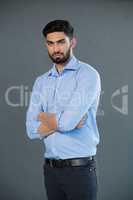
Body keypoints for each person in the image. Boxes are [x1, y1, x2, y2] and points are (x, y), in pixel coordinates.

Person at [26, 19, 101, 200]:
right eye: (51, 43)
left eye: (61, 42)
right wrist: (65, 120)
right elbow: (30, 130)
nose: (56, 49)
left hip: (79, 170)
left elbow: (67, 123)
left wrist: (44, 118)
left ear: (72, 42)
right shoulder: (41, 81)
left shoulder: (87, 74)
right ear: (46, 45)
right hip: (51, 171)